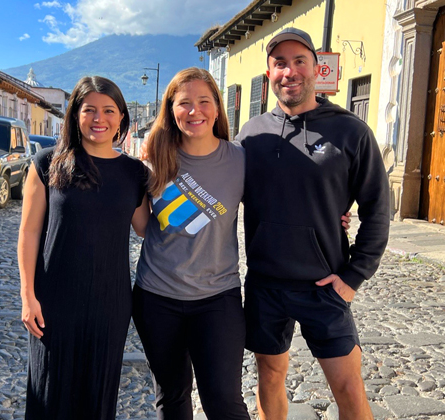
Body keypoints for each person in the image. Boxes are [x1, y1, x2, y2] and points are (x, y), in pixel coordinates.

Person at [236, 27, 390, 420]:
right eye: (279, 64)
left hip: (325, 285)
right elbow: (217, 192)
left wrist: (354, 277)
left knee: (348, 388)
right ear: (269, 73)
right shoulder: (250, 135)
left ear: (316, 68)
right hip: (266, 285)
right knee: (269, 376)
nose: (290, 72)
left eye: (299, 61)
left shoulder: (350, 130)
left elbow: (377, 206)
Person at [18, 76, 150, 419]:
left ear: (122, 118)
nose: (98, 119)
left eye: (108, 110)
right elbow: (30, 233)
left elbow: (146, 229)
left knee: (97, 396)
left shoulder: (134, 173)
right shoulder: (47, 164)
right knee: (48, 391)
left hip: (110, 303)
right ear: (75, 115)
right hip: (53, 302)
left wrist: (172, 179)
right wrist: (27, 295)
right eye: (89, 110)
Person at [131, 68, 251, 420]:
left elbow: (275, 208)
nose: (194, 111)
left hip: (217, 299)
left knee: (225, 402)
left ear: (217, 108)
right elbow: (142, 228)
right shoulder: (153, 160)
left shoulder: (241, 160)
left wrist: (334, 218)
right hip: (157, 298)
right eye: (184, 103)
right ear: (171, 109)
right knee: (171, 398)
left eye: (204, 101)